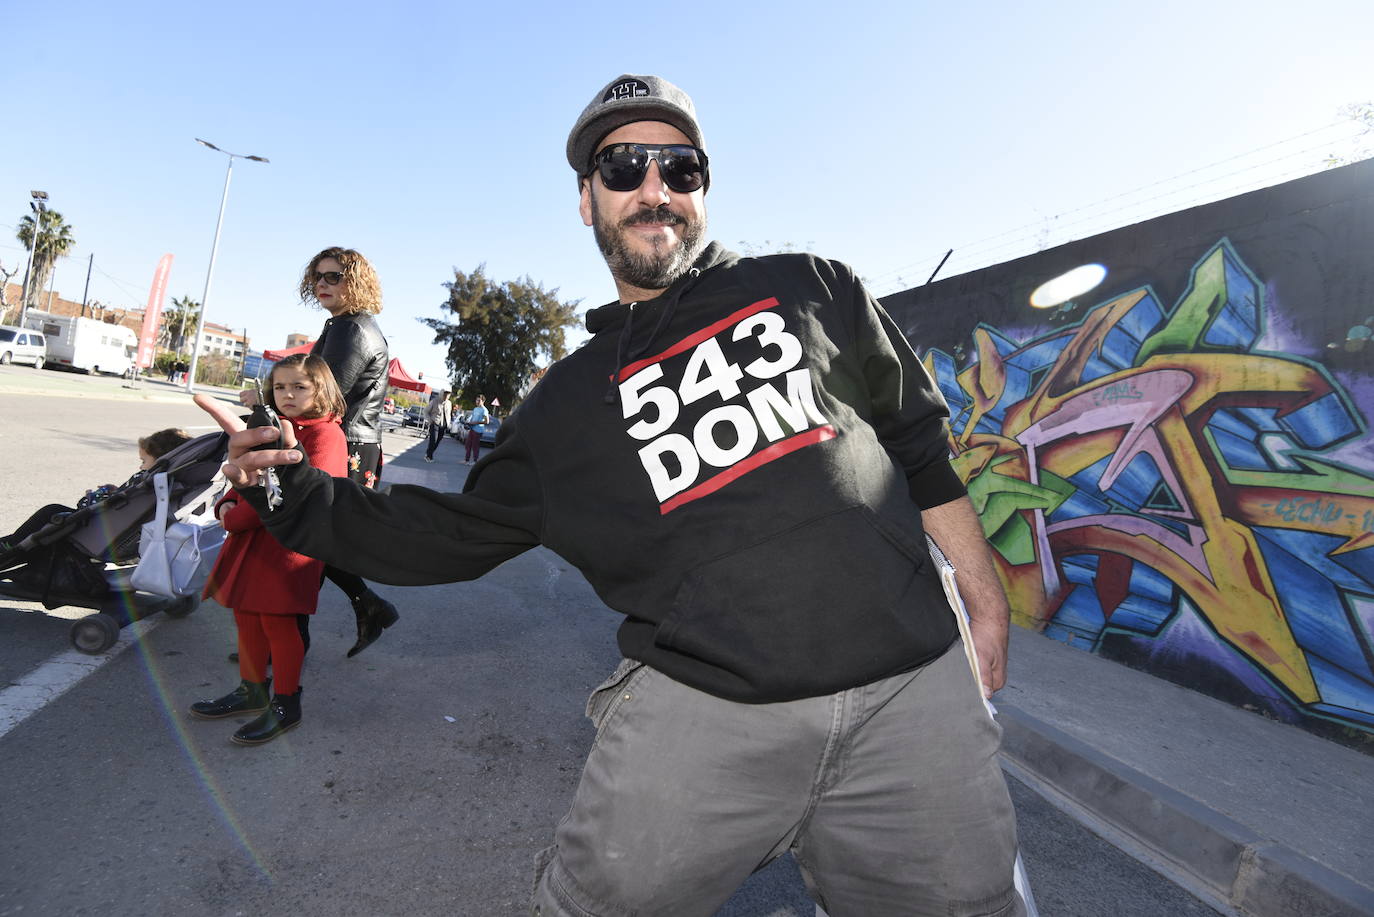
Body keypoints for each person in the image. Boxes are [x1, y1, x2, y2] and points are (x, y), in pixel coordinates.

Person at [196, 73, 1025, 915]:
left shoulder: (813, 287)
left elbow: (918, 446)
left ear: (703, 187)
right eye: (624, 166)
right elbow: (442, 531)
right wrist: (289, 490)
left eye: (681, 167)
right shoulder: (568, 402)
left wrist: (982, 593)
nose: (654, 189)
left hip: (910, 695)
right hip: (709, 711)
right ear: (587, 200)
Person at [239, 247, 400, 657]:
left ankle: (290, 640)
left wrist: (264, 409)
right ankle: (363, 608)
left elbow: (322, 399)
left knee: (301, 537)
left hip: (339, 447)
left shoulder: (352, 330)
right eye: (318, 277)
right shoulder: (345, 325)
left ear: (356, 281)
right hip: (347, 443)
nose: (322, 284)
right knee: (310, 538)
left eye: (333, 277)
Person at [190, 354, 347, 745]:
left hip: (288, 549)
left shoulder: (326, 434)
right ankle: (252, 688)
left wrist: (238, 515)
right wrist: (226, 502)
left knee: (280, 624)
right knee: (246, 617)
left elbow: (308, 495)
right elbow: (244, 471)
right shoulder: (273, 425)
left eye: (299, 386)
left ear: (321, 389)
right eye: (280, 387)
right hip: (254, 541)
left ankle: (286, 703)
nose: (288, 394)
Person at [0, 428, 192, 563]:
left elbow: (123, 505)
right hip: (123, 531)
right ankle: (10, 543)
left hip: (99, 533)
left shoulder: (149, 481)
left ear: (161, 459)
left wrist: (103, 497)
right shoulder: (169, 484)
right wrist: (115, 491)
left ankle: (10, 549)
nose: (141, 466)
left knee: (52, 512)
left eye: (144, 461)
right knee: (48, 521)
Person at [423, 388, 452, 462]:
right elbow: (425, 411)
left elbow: (449, 414)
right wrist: (430, 420)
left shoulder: (449, 403)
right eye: (445, 394)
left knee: (437, 441)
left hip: (444, 425)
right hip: (435, 423)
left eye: (448, 395)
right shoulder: (434, 401)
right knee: (433, 440)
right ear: (441, 394)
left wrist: (449, 423)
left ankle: (428, 453)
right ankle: (429, 457)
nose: (446, 396)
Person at [462, 394, 488, 464]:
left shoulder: (484, 410)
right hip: (472, 429)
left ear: (483, 401)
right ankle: (466, 460)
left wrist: (476, 422)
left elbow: (486, 421)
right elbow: (472, 418)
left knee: (475, 446)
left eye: (479, 400)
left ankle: (475, 461)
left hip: (478, 430)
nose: (477, 402)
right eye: (477, 400)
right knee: (468, 444)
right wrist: (468, 423)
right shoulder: (475, 409)